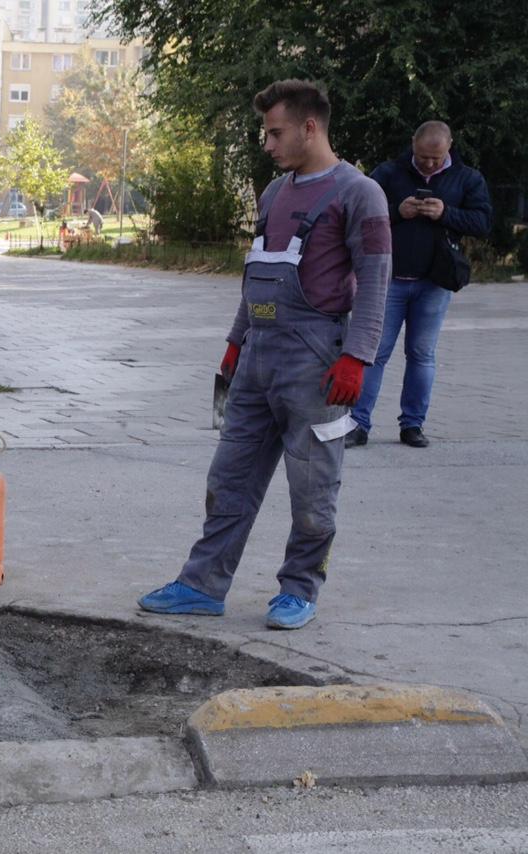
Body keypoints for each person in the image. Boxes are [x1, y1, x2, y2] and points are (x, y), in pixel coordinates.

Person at [138, 80, 391, 630]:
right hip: (257, 356)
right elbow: (255, 276)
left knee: (313, 487)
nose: (267, 144)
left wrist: (358, 357)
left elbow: (376, 280)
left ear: (309, 127)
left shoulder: (360, 193)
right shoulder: (274, 194)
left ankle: (299, 589)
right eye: (265, 133)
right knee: (229, 478)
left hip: (318, 361)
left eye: (275, 133)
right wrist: (234, 342)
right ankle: (202, 584)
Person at [347, 121, 492, 448]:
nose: (428, 163)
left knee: (422, 354)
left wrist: (446, 213)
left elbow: (483, 223)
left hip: (434, 281)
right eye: (423, 156)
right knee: (373, 353)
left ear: (449, 147)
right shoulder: (388, 173)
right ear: (413, 143)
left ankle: (412, 425)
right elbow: (357, 213)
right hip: (388, 280)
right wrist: (396, 212)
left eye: (436, 158)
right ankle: (358, 423)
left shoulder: (467, 178)